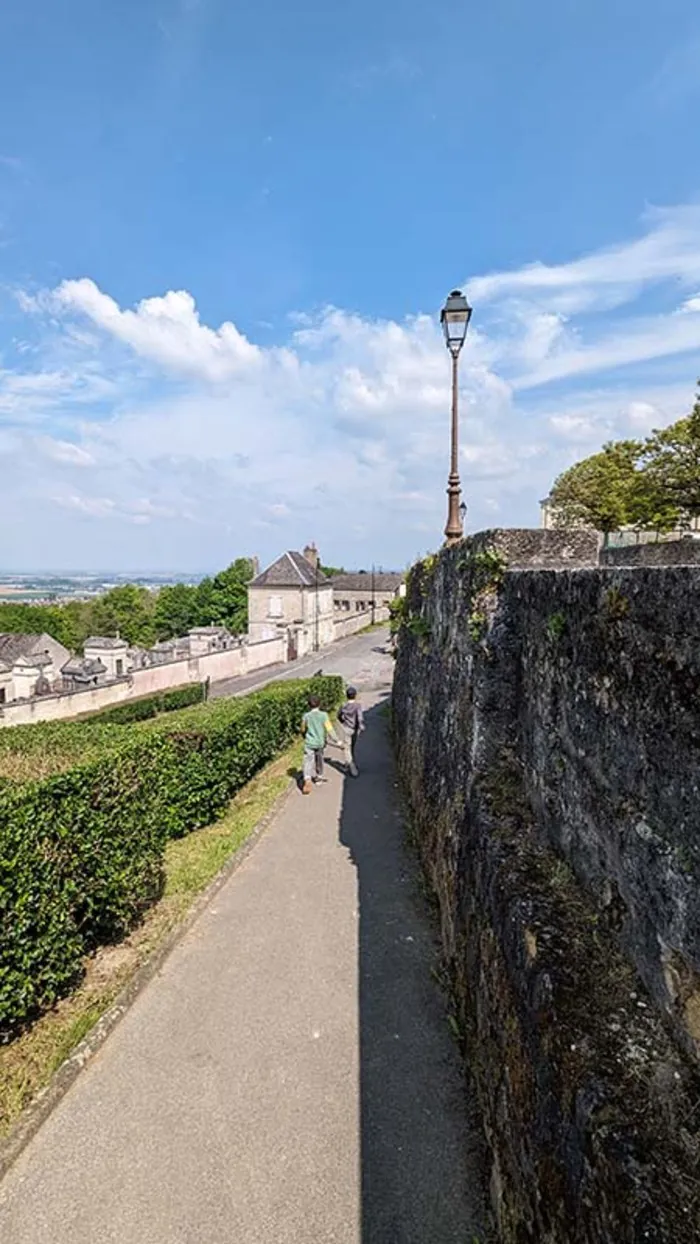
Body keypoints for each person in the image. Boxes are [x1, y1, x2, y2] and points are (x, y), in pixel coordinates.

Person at [301, 694, 338, 794]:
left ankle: (307, 778)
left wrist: (304, 735)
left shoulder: (306, 716)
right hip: (320, 743)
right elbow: (329, 729)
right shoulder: (324, 715)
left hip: (309, 742)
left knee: (308, 760)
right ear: (319, 704)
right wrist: (336, 740)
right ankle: (319, 777)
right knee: (319, 759)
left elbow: (303, 729)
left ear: (309, 705)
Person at [337, 685, 364, 777]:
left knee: (347, 747)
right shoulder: (357, 706)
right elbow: (359, 717)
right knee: (352, 746)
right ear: (355, 695)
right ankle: (350, 764)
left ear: (346, 696)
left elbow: (339, 715)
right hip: (355, 729)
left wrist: (342, 721)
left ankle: (350, 764)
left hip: (346, 728)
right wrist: (361, 726)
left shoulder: (343, 705)